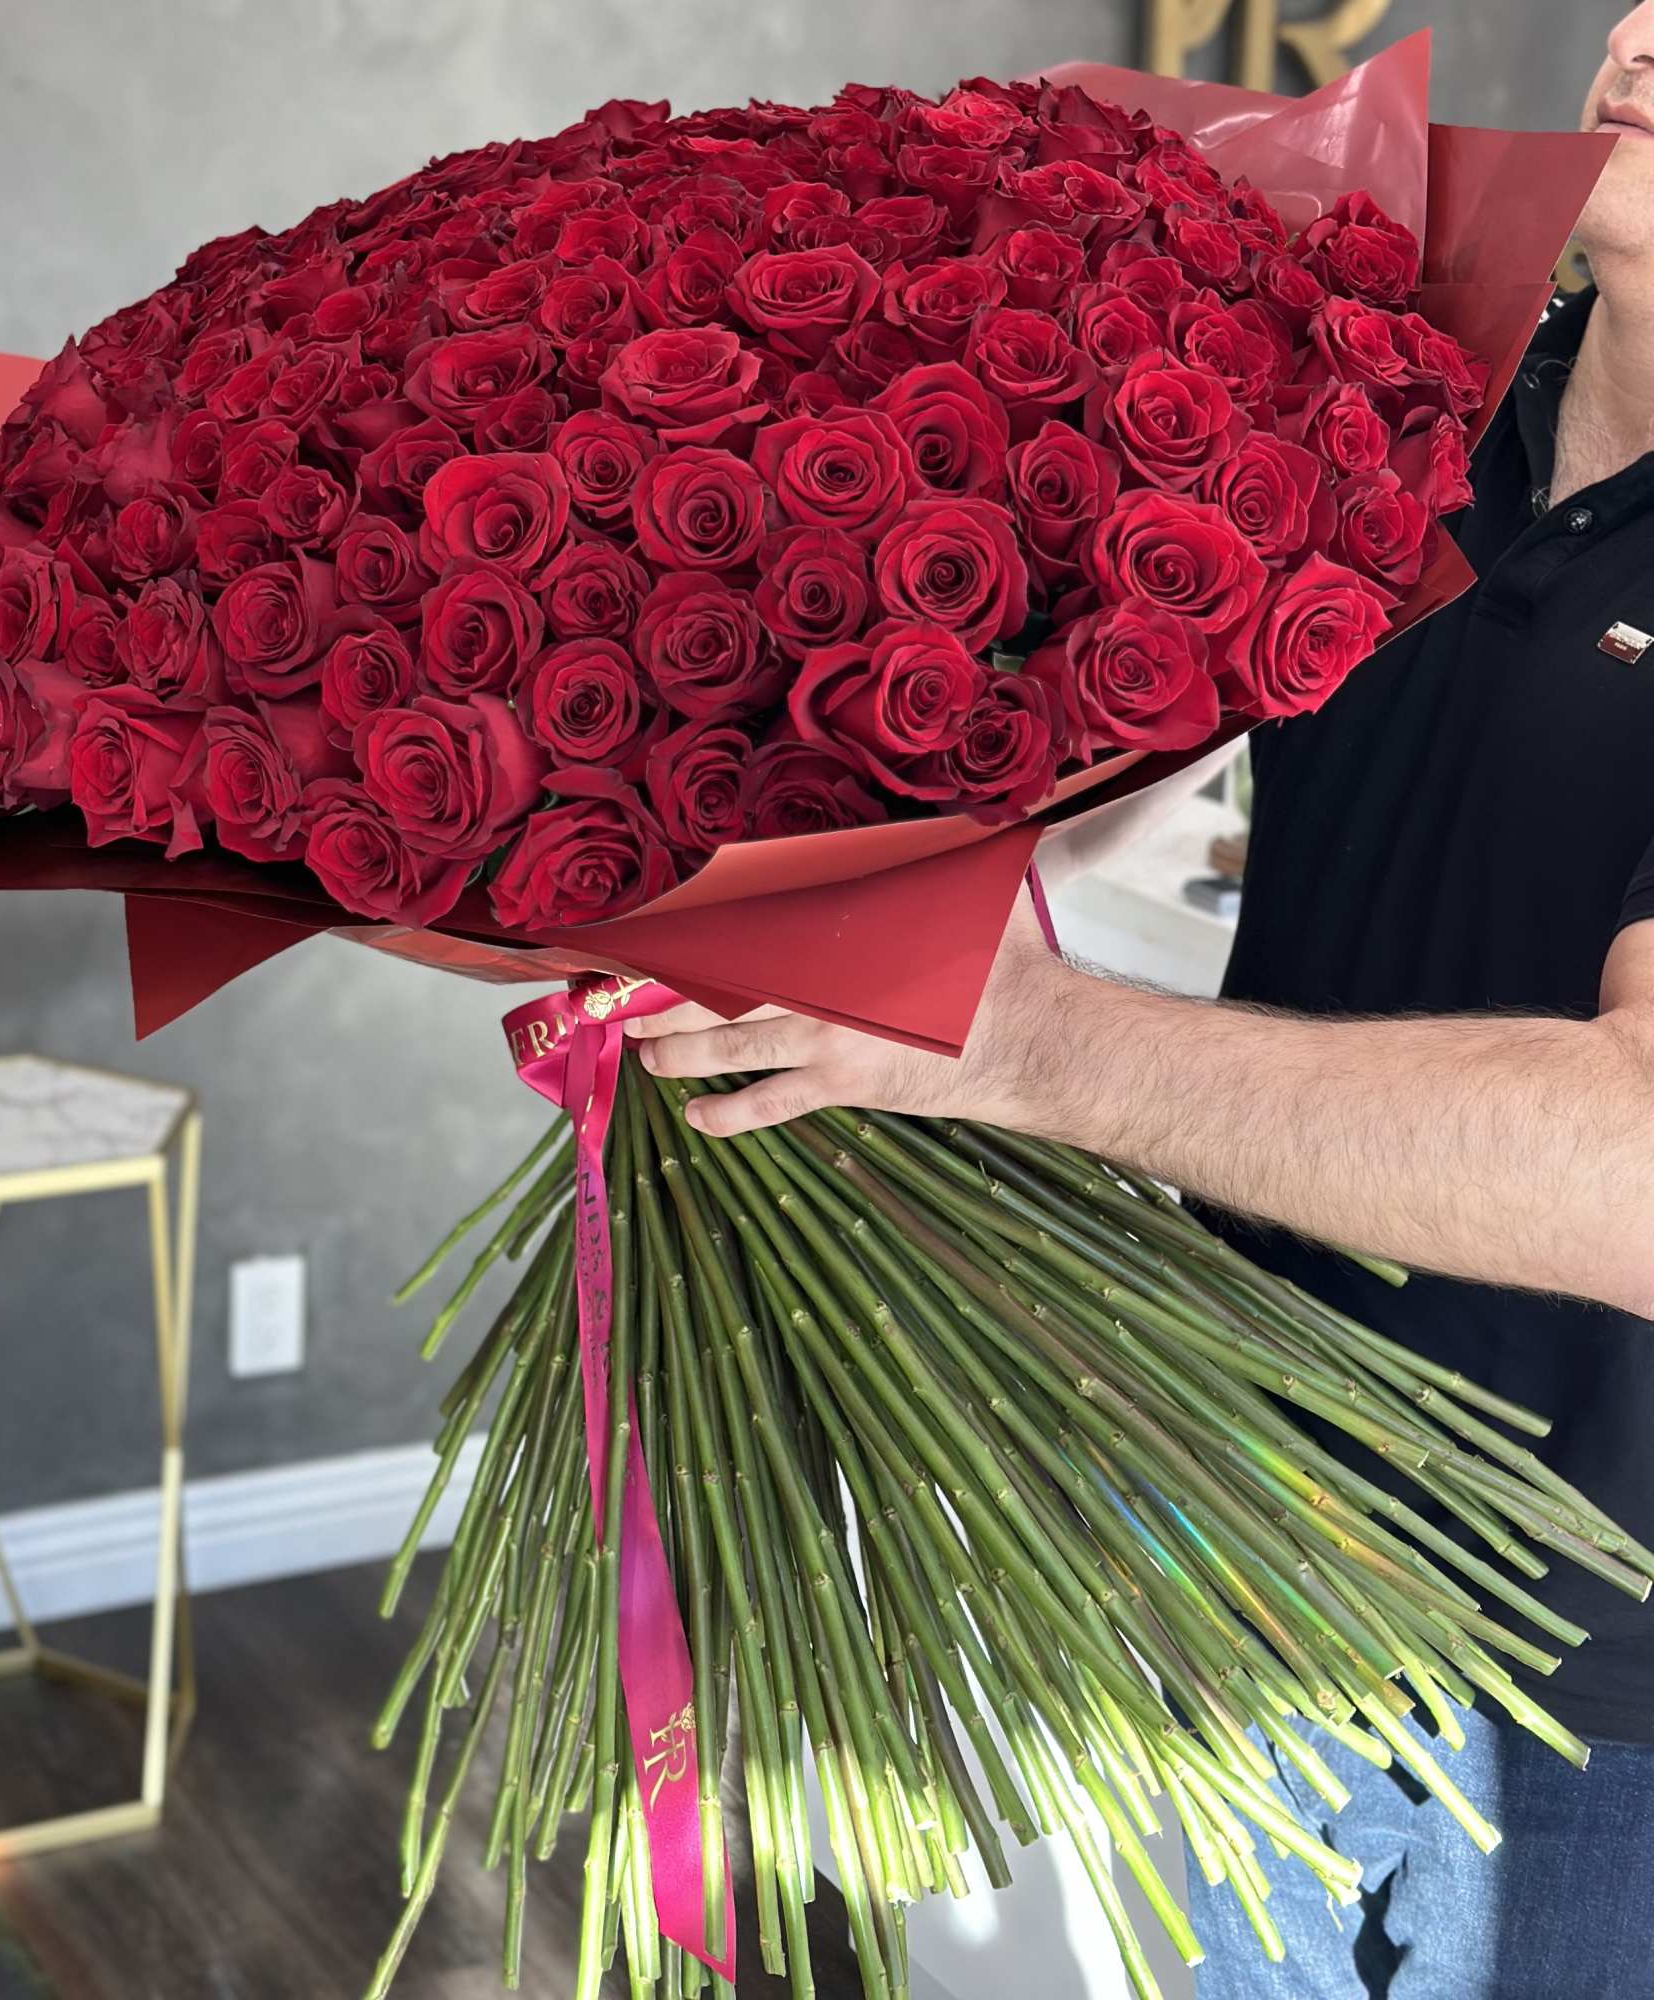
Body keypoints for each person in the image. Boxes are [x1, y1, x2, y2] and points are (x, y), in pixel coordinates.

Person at [627, 10, 1654, 1994]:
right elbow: (1071, 758)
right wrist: (712, 826)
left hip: (1580, 1691)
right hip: (1257, 1543)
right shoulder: (1420, 412)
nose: (1632, 36)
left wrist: (1018, 1041)